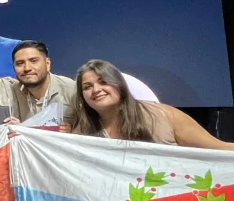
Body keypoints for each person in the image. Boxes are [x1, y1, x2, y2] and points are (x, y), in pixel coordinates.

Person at [73, 60, 234, 149]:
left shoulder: (164, 116)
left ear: (119, 85)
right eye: (87, 87)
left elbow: (218, 149)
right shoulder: (83, 129)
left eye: (103, 82)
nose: (96, 90)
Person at [11, 40, 76, 127]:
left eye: (33, 61)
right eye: (20, 63)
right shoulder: (12, 91)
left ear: (47, 64)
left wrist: (73, 131)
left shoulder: (71, 90)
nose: (27, 68)